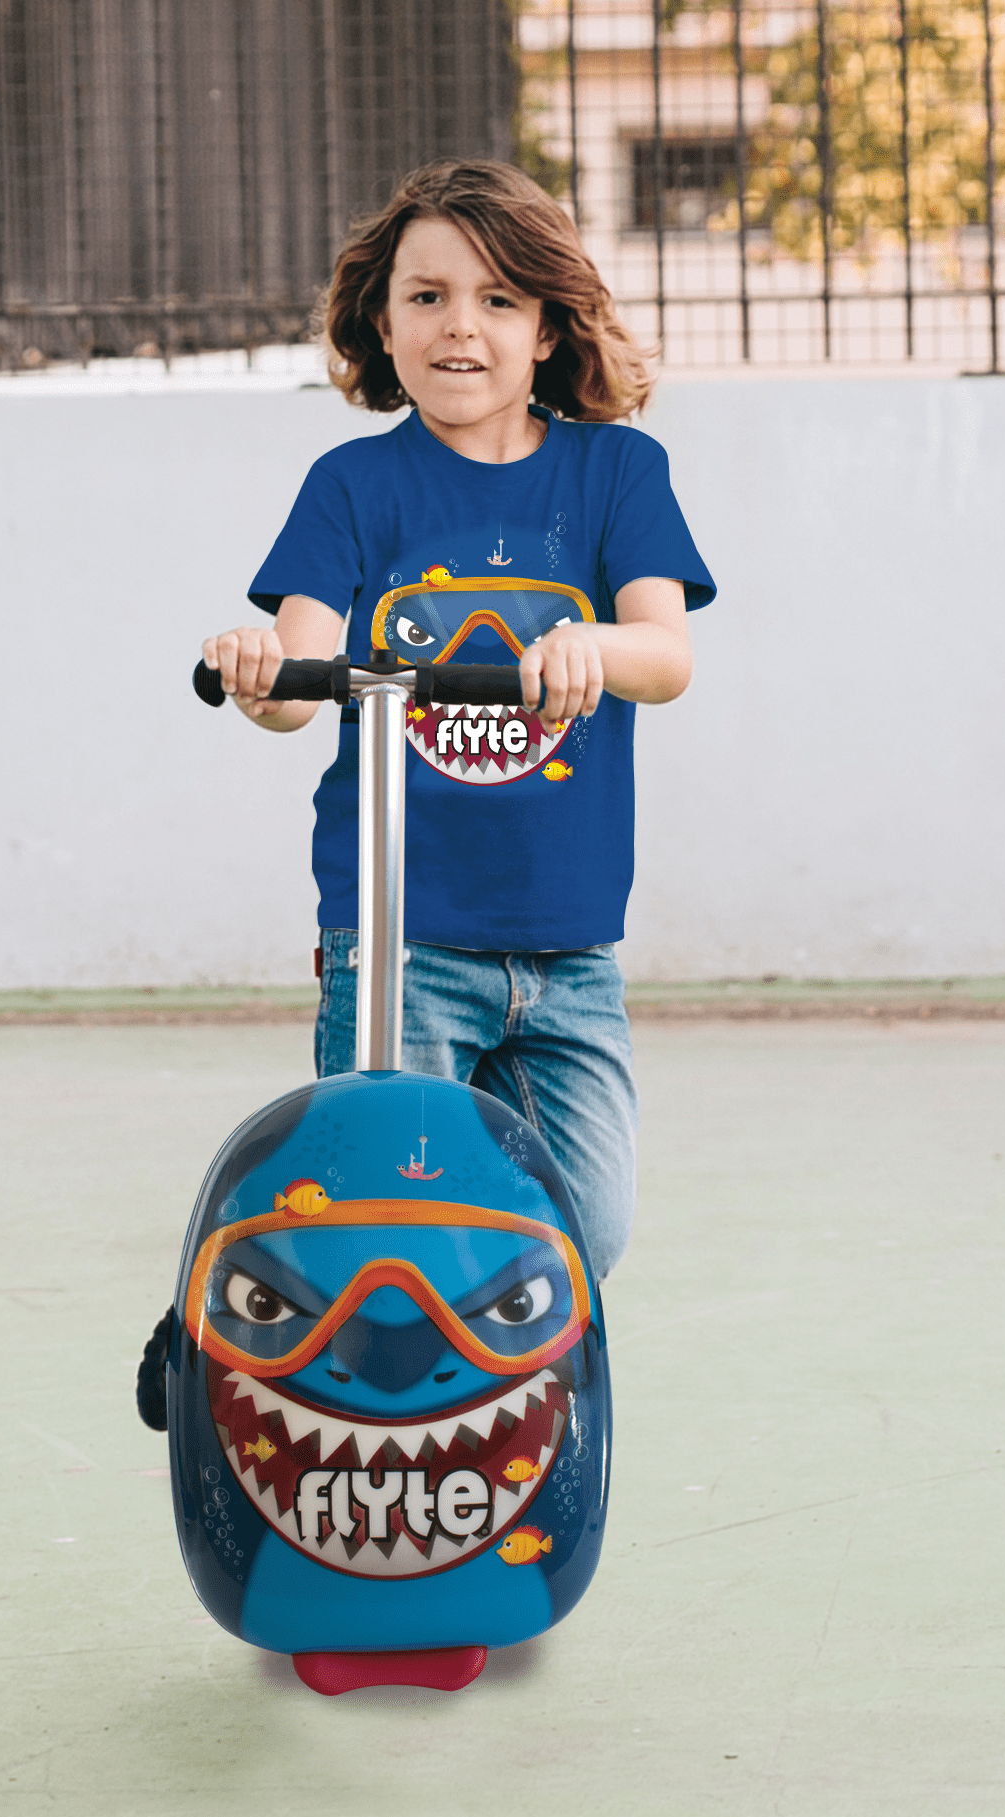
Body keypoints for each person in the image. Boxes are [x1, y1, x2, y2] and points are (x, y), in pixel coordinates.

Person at [202, 158, 714, 1282]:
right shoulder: (352, 486)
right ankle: (401, 1428)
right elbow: (299, 665)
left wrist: (593, 646)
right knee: (387, 1216)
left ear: (546, 327)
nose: (458, 328)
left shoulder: (617, 472)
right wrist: (256, 670)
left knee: (581, 1230)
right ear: (380, 324)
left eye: (496, 300)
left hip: (567, 940)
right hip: (400, 940)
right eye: (425, 297)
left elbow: (665, 657)